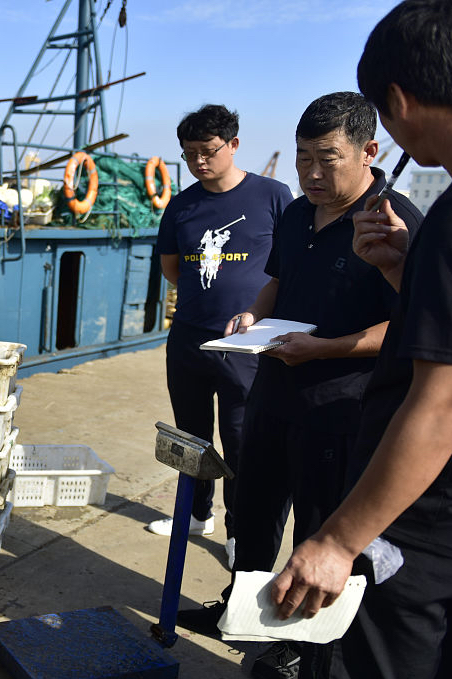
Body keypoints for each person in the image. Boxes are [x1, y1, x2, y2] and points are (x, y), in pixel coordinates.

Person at [271, 2, 452, 679]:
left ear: (394, 106)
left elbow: (450, 400)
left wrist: (338, 538)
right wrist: (406, 269)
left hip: (428, 537)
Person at [197, 94, 424, 679]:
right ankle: (242, 603)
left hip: (341, 406)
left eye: (328, 159)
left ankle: (304, 639)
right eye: (303, 159)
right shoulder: (298, 214)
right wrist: (251, 314)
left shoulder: (391, 220)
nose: (313, 174)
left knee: (321, 525)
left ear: (369, 152)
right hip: (274, 388)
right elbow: (276, 280)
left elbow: (409, 326)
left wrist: (324, 348)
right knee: (254, 505)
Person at [151, 105, 293, 547]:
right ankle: (195, 514)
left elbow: (287, 266)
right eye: (189, 153)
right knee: (191, 437)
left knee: (241, 441)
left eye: (208, 150)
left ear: (232, 145)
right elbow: (172, 268)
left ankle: (239, 530)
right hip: (190, 339)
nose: (199, 161)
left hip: (246, 344)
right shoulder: (181, 206)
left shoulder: (273, 195)